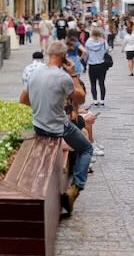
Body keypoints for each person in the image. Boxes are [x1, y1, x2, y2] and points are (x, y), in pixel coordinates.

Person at [20, 41, 93, 215]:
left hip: (38, 125)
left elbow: (23, 100)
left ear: (48, 54)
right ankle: (75, 188)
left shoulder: (34, 73)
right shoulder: (63, 77)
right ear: (63, 57)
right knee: (86, 149)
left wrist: (40, 107)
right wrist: (74, 73)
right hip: (59, 127)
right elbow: (81, 99)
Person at [84, 27, 109, 106]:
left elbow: (86, 53)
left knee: (93, 83)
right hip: (101, 64)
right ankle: (102, 100)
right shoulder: (103, 42)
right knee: (102, 83)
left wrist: (85, 63)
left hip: (92, 65)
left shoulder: (88, 43)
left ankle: (95, 100)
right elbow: (107, 50)